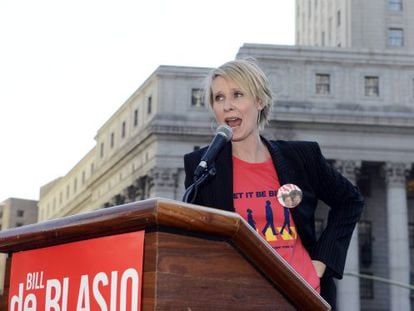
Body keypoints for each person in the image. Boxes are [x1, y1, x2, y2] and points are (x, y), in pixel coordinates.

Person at [183, 58, 364, 309]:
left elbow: (350, 200)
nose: (227, 106)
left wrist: (321, 263)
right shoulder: (202, 166)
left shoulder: (302, 157)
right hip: (240, 299)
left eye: (237, 94)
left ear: (260, 101)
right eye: (219, 98)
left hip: (301, 296)